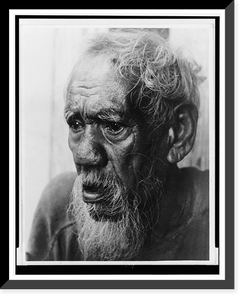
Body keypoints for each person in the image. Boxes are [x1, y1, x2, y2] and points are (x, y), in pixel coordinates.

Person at [26, 29, 209, 261]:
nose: (83, 155)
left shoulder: (219, 216)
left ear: (178, 133)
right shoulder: (61, 206)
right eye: (76, 123)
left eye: (113, 126)